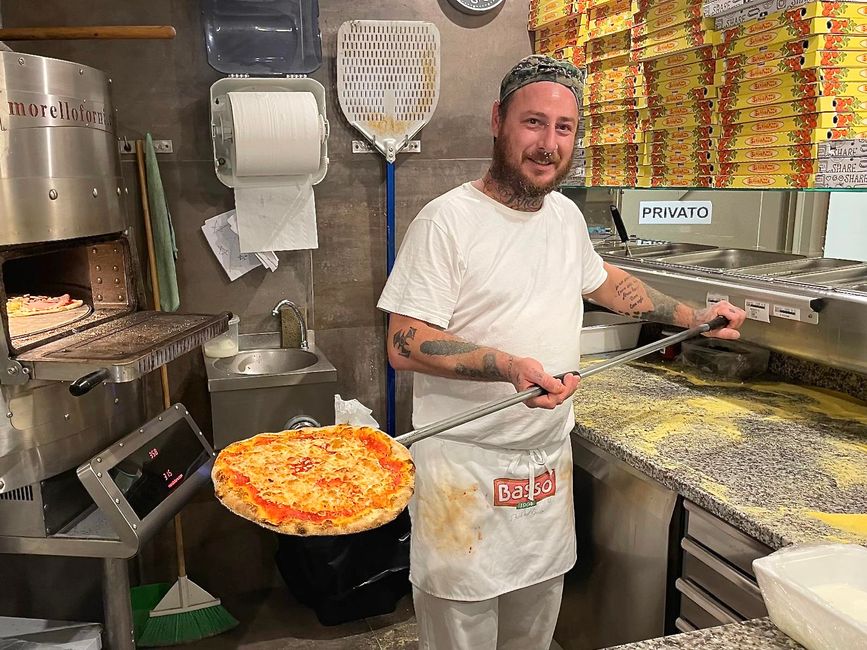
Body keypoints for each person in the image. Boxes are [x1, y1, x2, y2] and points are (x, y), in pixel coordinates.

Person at [377, 55, 746, 650]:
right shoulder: (447, 221)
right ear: (498, 120)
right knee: (460, 636)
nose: (549, 144)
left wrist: (692, 317)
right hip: (465, 475)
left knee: (535, 630)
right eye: (533, 123)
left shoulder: (567, 218)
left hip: (545, 470)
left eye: (564, 127)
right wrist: (507, 366)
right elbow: (405, 341)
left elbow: (606, 283)